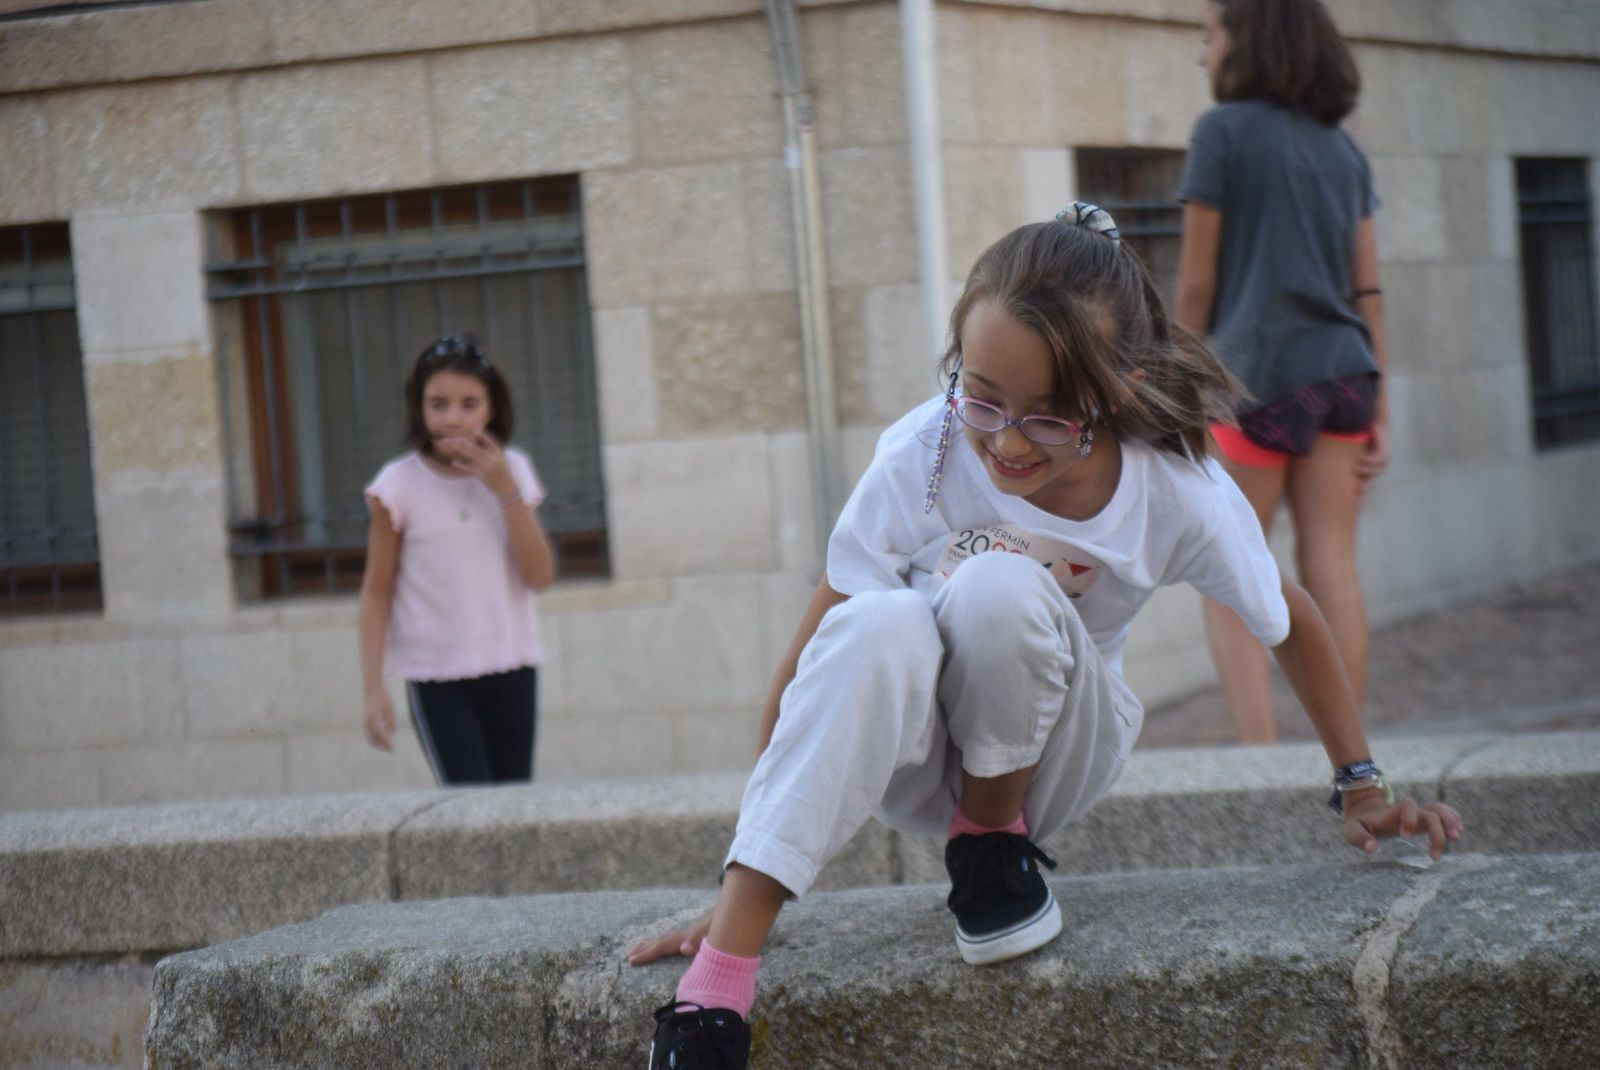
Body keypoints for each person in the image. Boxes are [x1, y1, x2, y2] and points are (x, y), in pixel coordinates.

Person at [627, 209, 1461, 1070]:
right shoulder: (930, 447)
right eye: (982, 397)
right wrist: (739, 869)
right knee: (875, 619)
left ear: (1116, 390)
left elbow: (1287, 620)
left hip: (1055, 741)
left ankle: (991, 844)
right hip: (909, 747)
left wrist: (1363, 785)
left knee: (996, 583)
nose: (1006, 442)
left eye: (1049, 418)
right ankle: (714, 996)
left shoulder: (1173, 485)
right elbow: (815, 659)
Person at [1175, 0, 1390, 743]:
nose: (1202, 55)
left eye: (1209, 36)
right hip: (1346, 380)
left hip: (1255, 382)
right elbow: (1369, 292)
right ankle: (1350, 759)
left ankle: (1260, 757)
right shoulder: (1343, 149)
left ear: (1248, 40)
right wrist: (1381, 410)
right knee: (1332, 562)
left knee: (1232, 572)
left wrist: (1171, 382)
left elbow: (1197, 285)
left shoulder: (1221, 134)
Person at [357, 334, 556, 785]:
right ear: (418, 407)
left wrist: (505, 489)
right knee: (468, 812)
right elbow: (376, 592)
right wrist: (373, 688)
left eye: (470, 403)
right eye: (439, 404)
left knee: (513, 808)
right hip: (437, 677)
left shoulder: (515, 470)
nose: (454, 419)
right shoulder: (397, 485)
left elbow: (540, 576)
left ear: (491, 407)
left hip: (512, 665)